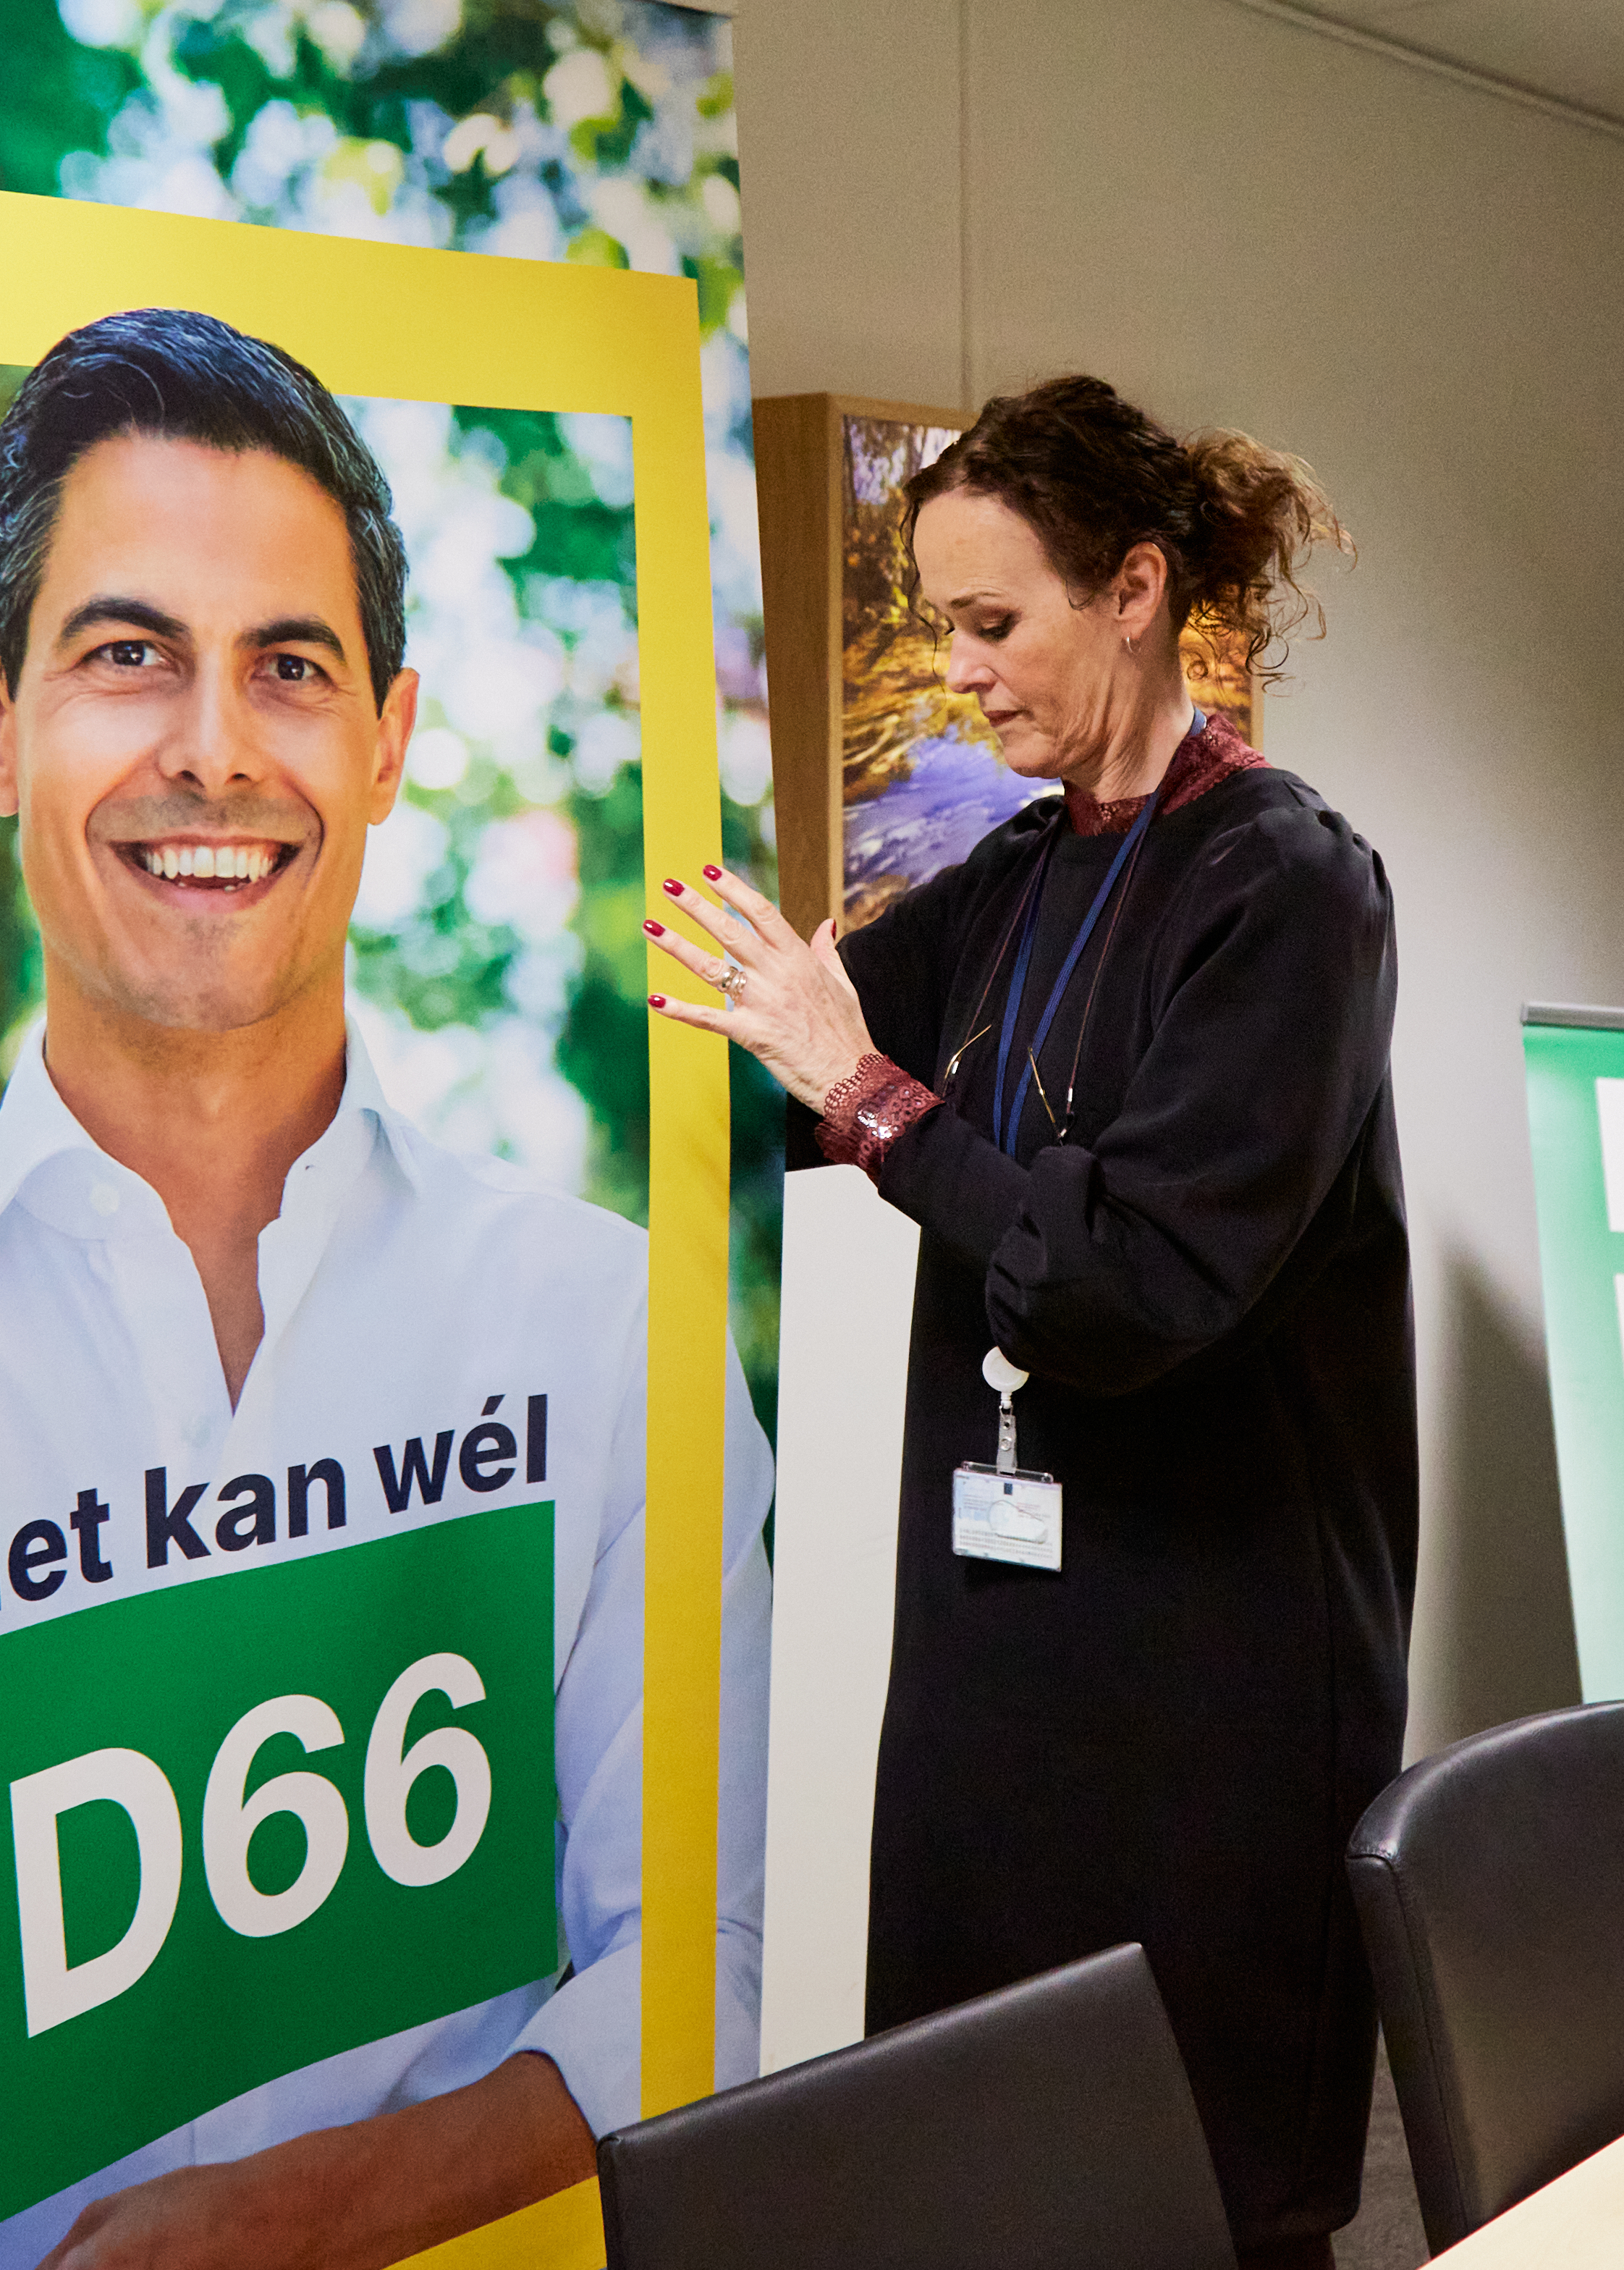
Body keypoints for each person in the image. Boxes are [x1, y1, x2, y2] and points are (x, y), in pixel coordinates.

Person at [0, 310, 772, 2270]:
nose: (215, 745)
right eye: (129, 652)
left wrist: (302, 2216)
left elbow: (711, 1976)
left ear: (387, 739)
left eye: (289, 666)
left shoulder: (607, 1333)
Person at [651, 374, 1410, 2270]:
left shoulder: (1289, 887)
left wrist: (873, 1098)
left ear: (1134, 590)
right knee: (981, 2152)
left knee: (1196, 2191)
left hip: (1213, 1672)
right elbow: (785, 1062)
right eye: (943, 625)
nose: (960, 671)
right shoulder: (1016, 871)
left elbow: (1128, 1281)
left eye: (993, 622)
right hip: (1005, 1653)